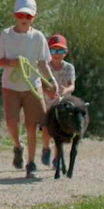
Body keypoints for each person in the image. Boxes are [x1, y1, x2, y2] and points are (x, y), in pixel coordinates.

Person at [0, 0, 58, 179]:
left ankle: (30, 163)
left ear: (34, 17)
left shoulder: (38, 37)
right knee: (11, 123)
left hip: (33, 86)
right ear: (15, 15)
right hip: (11, 86)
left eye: (28, 16)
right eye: (21, 15)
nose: (24, 19)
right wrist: (11, 62)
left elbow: (43, 63)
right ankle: (17, 146)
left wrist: (51, 82)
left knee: (33, 125)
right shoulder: (6, 35)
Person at [40, 33, 77, 167]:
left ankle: (57, 157)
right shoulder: (45, 67)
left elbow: (71, 85)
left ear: (65, 52)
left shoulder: (69, 67)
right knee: (45, 129)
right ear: (49, 52)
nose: (57, 53)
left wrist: (65, 90)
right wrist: (47, 92)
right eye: (54, 50)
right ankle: (45, 148)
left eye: (60, 50)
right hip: (46, 103)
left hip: (62, 105)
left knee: (60, 131)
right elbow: (40, 84)